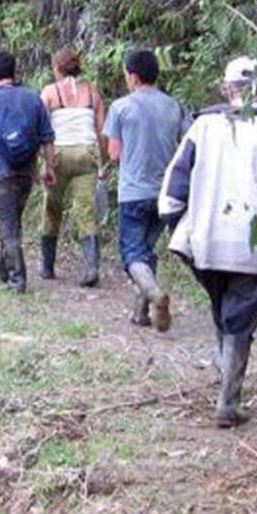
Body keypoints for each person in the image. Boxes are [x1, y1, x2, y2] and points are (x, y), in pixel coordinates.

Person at [159, 56, 257, 428]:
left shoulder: (203, 127)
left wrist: (178, 229)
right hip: (253, 243)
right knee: (240, 319)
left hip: (205, 242)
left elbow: (173, 187)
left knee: (223, 307)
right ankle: (227, 401)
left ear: (226, 88)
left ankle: (225, 377)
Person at [103, 48, 190, 331]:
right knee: (147, 251)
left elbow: (114, 154)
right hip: (165, 194)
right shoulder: (174, 106)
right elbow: (188, 143)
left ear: (134, 76)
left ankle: (154, 295)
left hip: (133, 192)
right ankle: (140, 313)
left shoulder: (120, 107)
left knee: (132, 255)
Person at [0, 49, 56, 294]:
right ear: (14, 72)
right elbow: (47, 137)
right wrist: (49, 167)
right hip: (26, 173)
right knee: (12, 223)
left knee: (7, 226)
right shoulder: (32, 98)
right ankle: (4, 271)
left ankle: (17, 280)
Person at [39, 47, 107, 287]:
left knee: (52, 208)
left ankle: (47, 267)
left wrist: (44, 162)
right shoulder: (92, 91)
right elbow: (101, 132)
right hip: (86, 154)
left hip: (58, 154)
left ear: (57, 68)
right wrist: (103, 163)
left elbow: (42, 129)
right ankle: (91, 267)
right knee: (86, 211)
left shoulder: (49, 92)